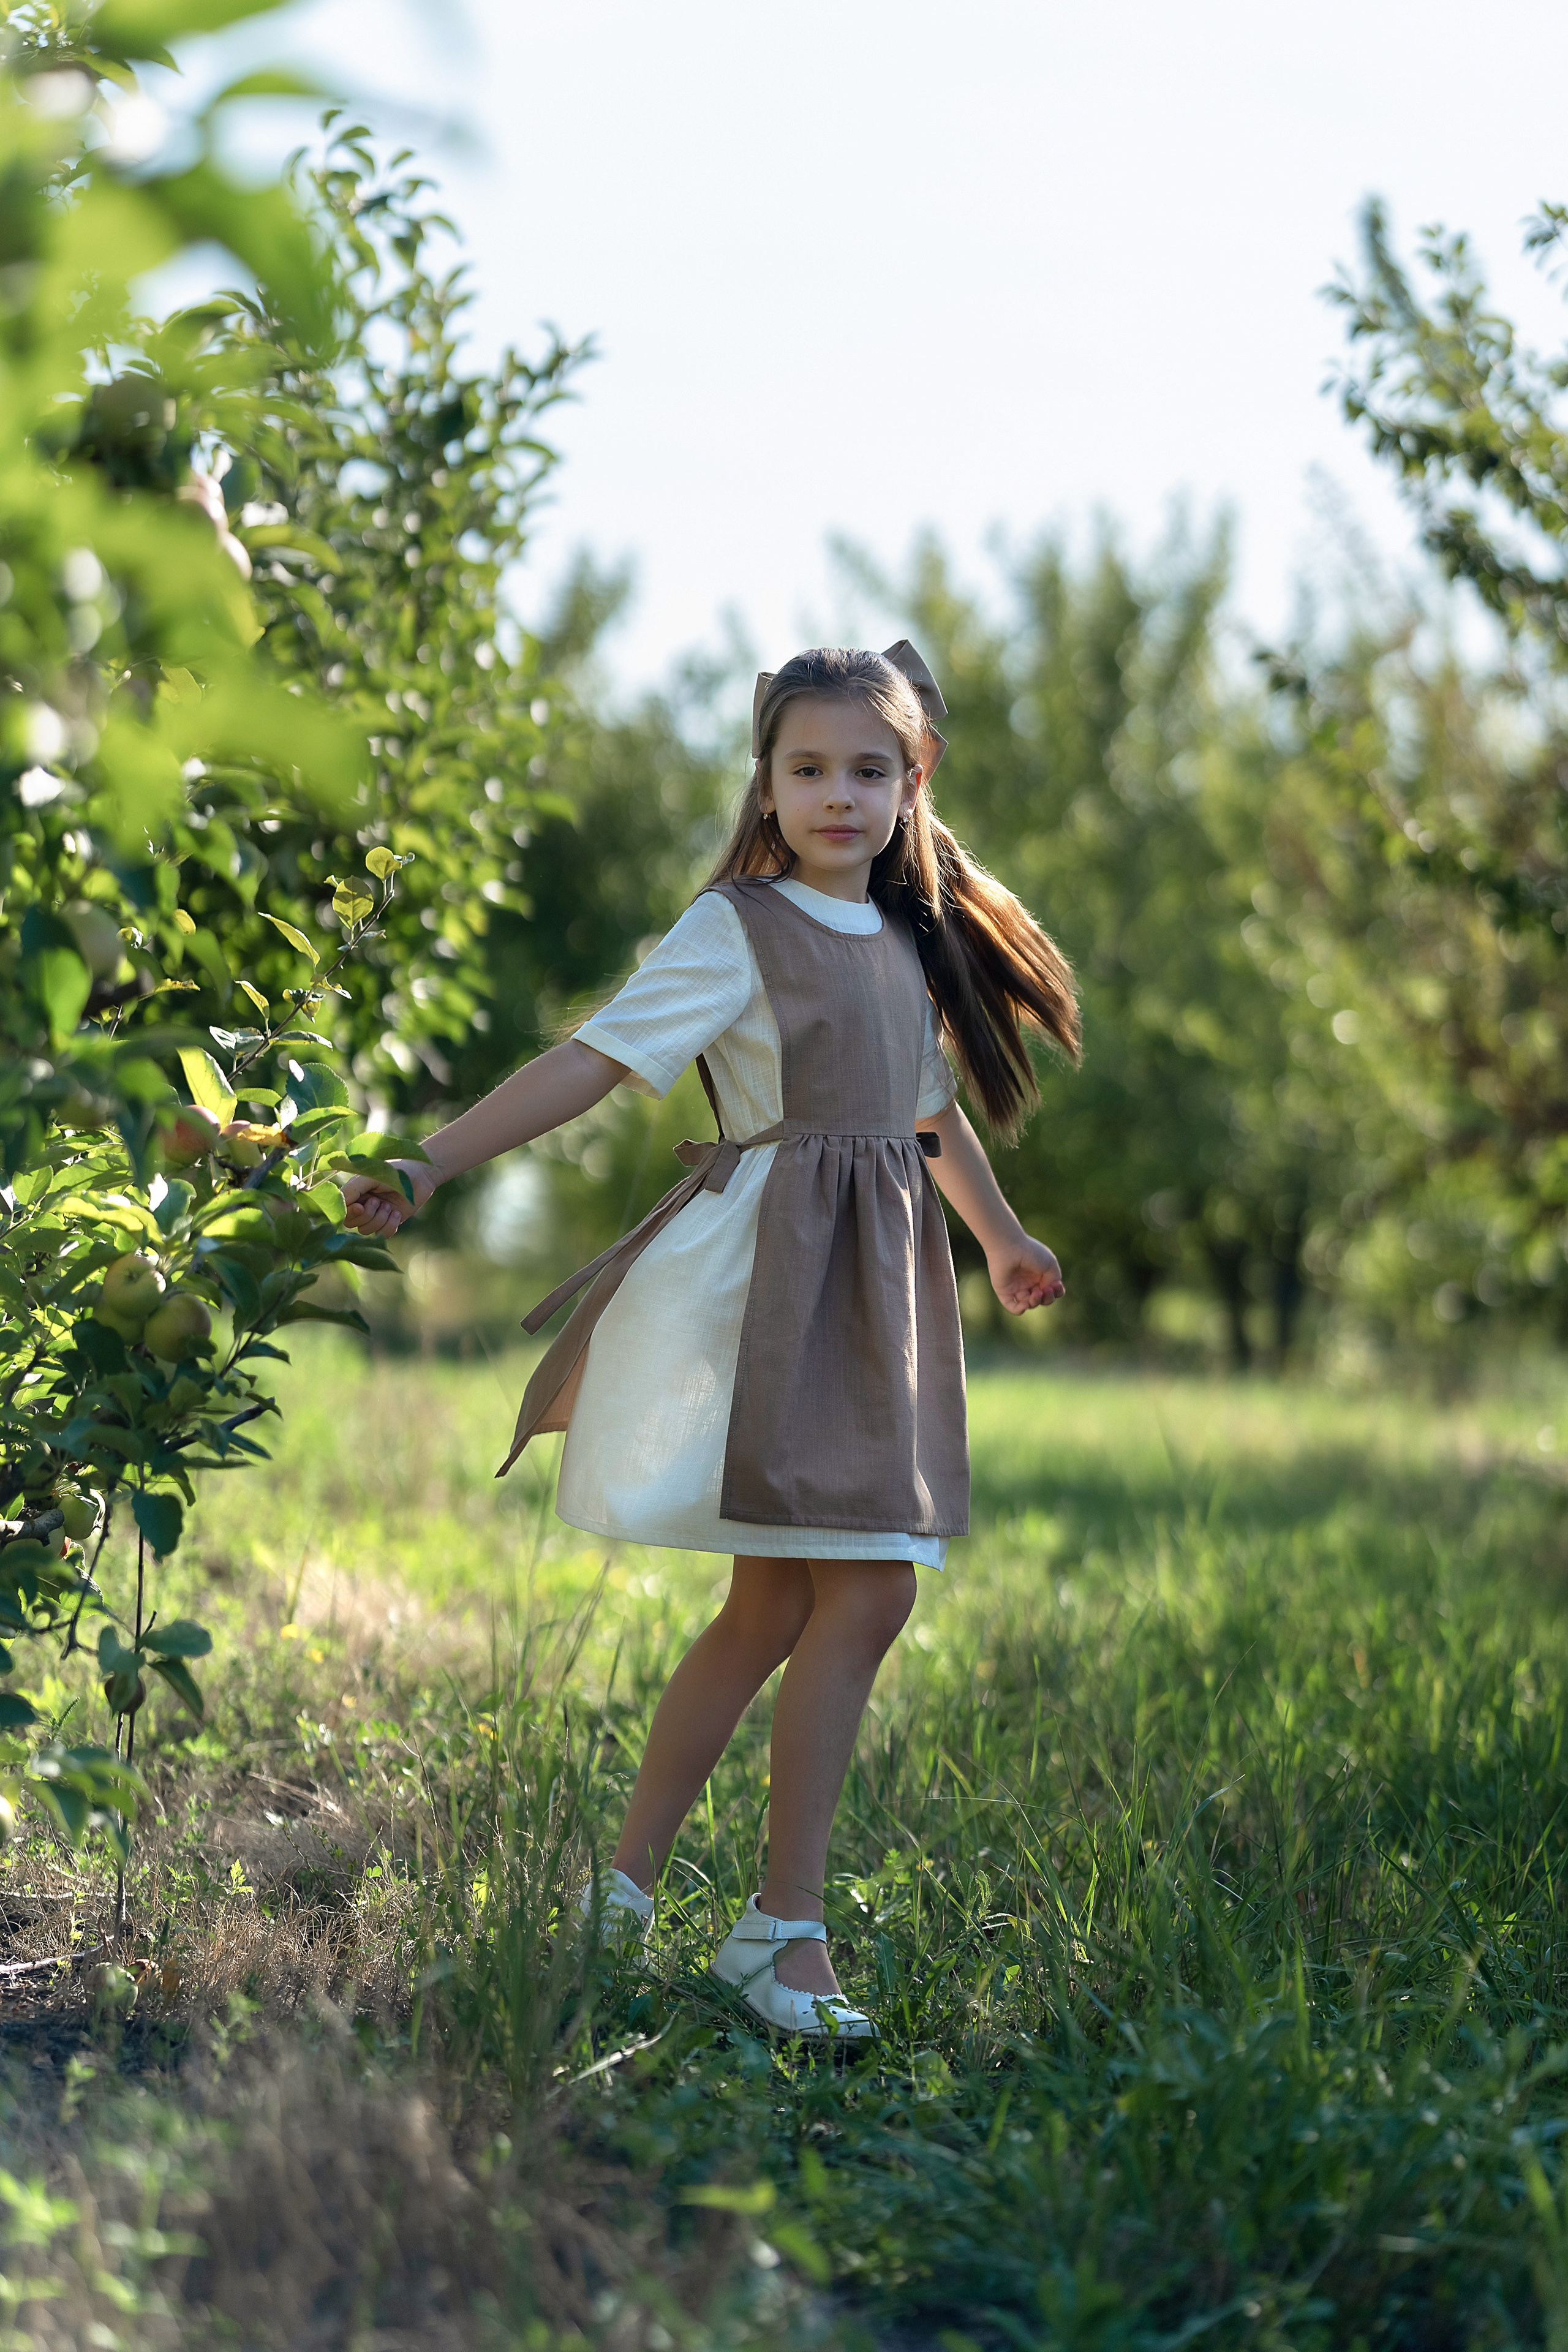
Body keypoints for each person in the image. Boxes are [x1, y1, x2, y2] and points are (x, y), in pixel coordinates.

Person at [342, 643, 1080, 2041]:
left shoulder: (909, 943)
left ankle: (621, 1899)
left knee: (780, 1608)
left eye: (868, 770)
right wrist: (431, 1163)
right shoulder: (736, 929)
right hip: (784, 1281)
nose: (837, 796)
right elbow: (594, 1058)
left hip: (879, 1286)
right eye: (807, 769)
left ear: (912, 779)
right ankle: (780, 1931)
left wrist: (997, 1235)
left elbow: (926, 1115)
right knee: (860, 1598)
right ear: (767, 780)